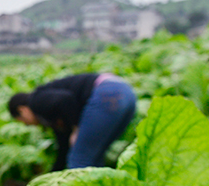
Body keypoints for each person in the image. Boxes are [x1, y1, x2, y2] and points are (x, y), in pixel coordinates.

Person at [8, 73, 136, 172]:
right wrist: (50, 176)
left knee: (79, 161)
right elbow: (64, 149)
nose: (28, 125)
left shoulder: (36, 101)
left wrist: (76, 128)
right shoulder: (54, 115)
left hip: (108, 94)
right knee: (94, 159)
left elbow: (65, 99)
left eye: (23, 121)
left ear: (22, 110)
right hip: (126, 93)